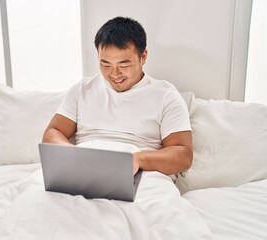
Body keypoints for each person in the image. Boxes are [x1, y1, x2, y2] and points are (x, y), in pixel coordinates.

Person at [42, 16, 193, 176]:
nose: (114, 74)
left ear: (143, 57)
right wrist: (73, 155)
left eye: (124, 64)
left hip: (140, 174)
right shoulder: (82, 89)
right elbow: (53, 132)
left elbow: (183, 156)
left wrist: (137, 160)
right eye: (105, 64)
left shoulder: (165, 95)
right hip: (83, 171)